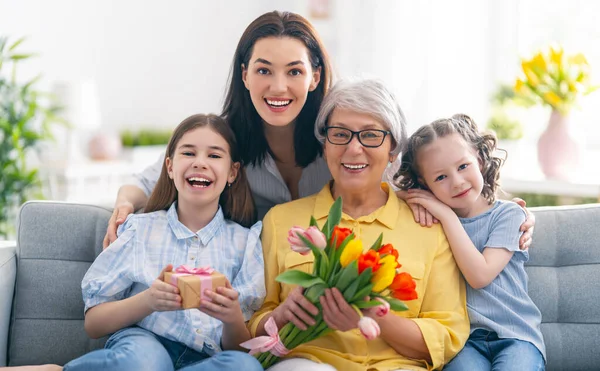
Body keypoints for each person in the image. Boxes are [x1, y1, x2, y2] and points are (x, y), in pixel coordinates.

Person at [101, 10, 537, 249]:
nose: (278, 86)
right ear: (245, 75)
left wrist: (502, 207)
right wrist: (123, 203)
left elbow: (428, 173)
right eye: (264, 70)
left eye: (294, 71)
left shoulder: (344, 138)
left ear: (314, 76)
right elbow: (152, 179)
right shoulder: (226, 139)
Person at [248, 78, 470, 371]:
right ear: (325, 145)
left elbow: (446, 335)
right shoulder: (281, 221)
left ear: (393, 150)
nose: (353, 150)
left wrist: (371, 316)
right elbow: (253, 318)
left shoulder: (429, 227)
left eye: (371, 135)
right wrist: (280, 316)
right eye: (340, 134)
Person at [60, 114, 265, 370]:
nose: (200, 163)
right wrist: (148, 301)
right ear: (169, 166)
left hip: (207, 358)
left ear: (232, 172)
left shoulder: (245, 243)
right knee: (144, 364)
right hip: (144, 344)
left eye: (214, 156)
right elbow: (93, 324)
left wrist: (232, 318)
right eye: (188, 153)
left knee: (245, 367)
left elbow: (241, 349)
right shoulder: (139, 229)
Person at [395, 114, 545, 370]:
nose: (457, 182)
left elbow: (480, 275)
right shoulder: (428, 221)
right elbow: (379, 196)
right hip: (463, 342)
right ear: (424, 184)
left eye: (463, 166)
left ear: (480, 158)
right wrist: (412, 199)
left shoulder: (509, 215)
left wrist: (445, 216)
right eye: (440, 177)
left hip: (516, 337)